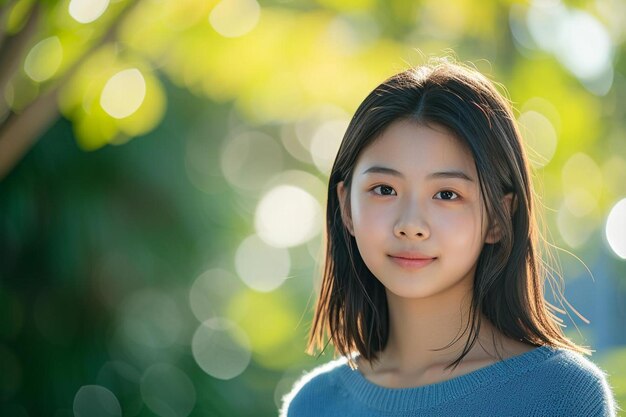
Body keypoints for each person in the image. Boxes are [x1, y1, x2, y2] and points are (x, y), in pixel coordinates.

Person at [279, 58, 618, 416]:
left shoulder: (561, 396)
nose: (411, 224)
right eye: (384, 189)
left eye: (446, 194)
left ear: (498, 219)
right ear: (346, 206)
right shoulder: (314, 404)